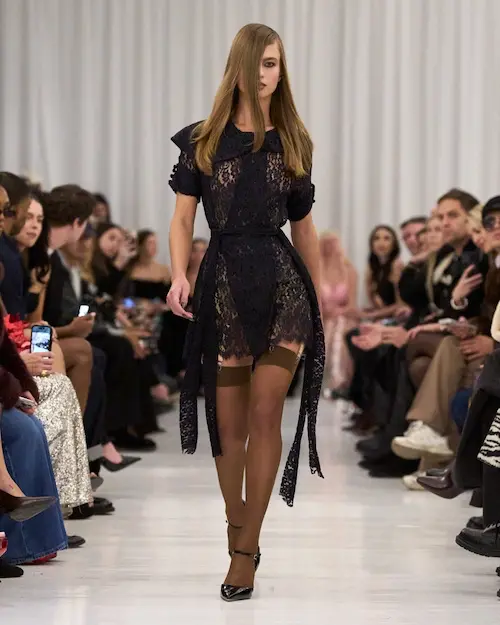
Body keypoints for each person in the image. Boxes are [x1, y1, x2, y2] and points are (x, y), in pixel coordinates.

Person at [167, 23, 324, 601]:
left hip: (284, 285)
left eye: (273, 64)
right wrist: (178, 274)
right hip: (224, 285)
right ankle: (238, 521)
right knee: (229, 428)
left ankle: (245, 550)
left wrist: (317, 298)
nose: (264, 75)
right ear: (237, 67)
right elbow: (182, 218)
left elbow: (304, 227)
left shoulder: (294, 140)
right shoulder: (202, 139)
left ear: (282, 71)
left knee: (265, 413)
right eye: (256, 63)